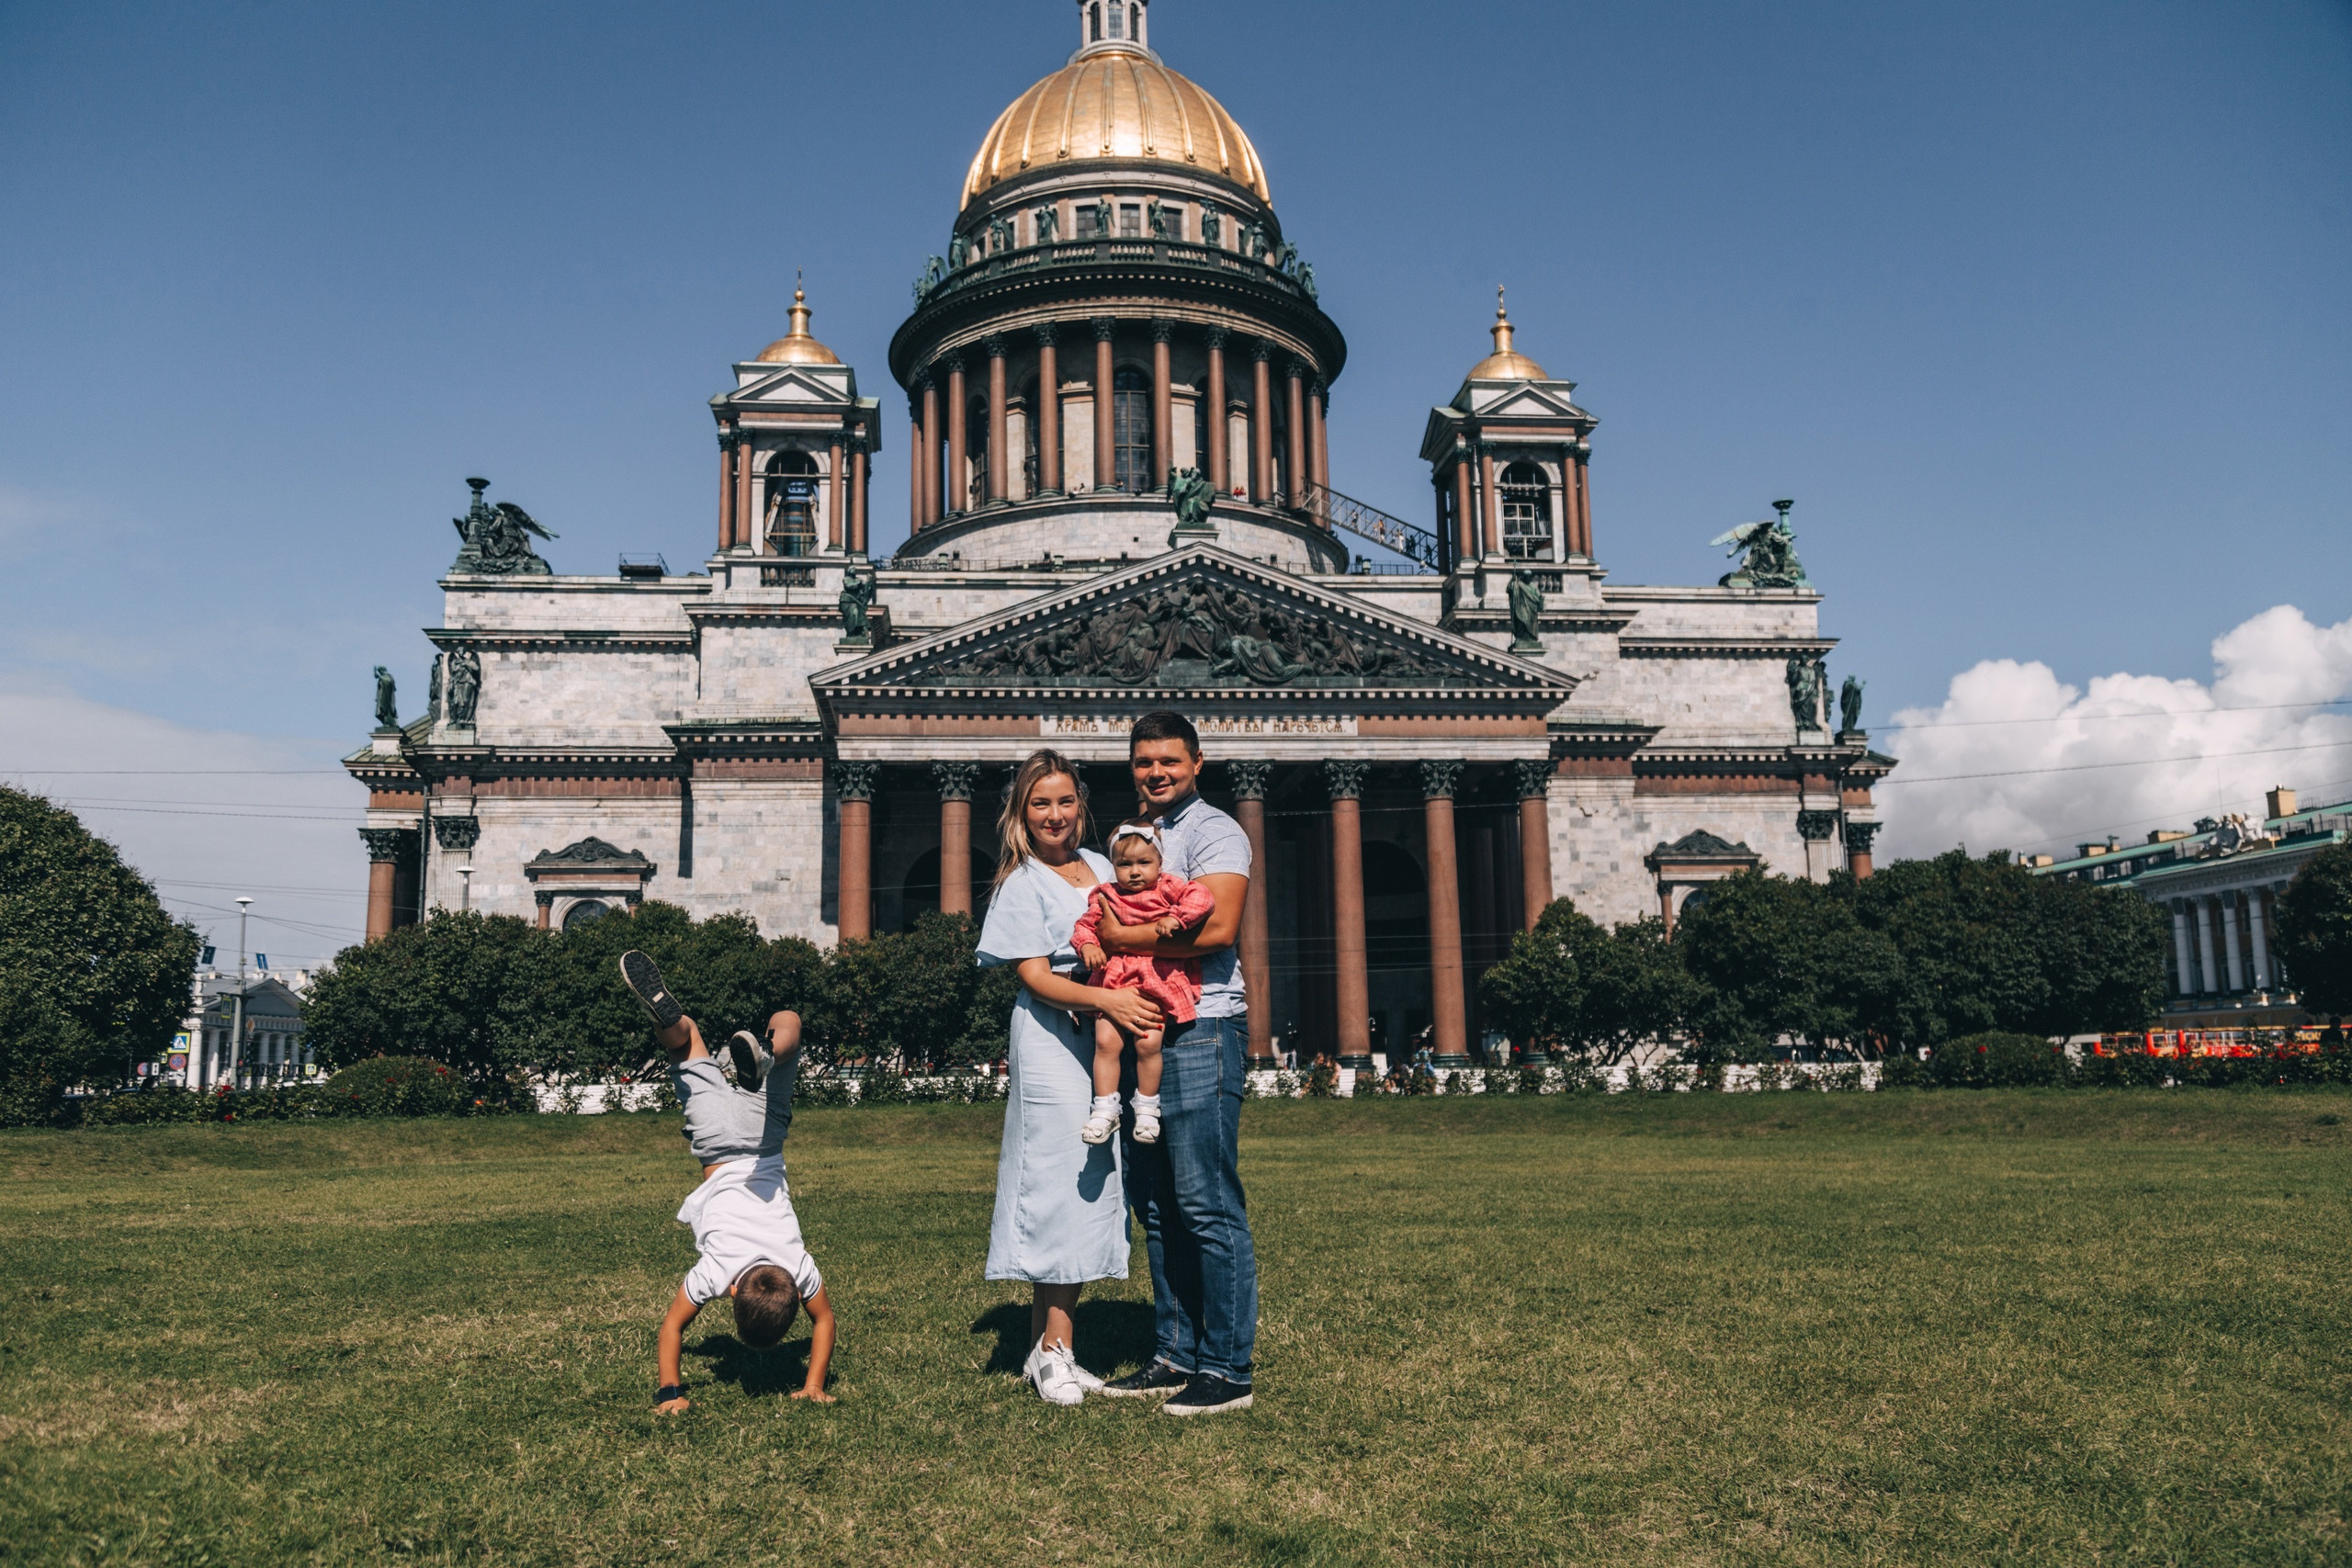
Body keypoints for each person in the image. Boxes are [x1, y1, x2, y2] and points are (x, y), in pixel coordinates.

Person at [976, 750, 1163, 1405]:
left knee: (1090, 1180)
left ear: (1081, 804)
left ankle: (1048, 1349)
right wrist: (1107, 998)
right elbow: (1034, 976)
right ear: (1021, 813)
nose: (1054, 815)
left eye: (1064, 800)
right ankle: (1055, 1349)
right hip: (1053, 1039)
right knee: (1060, 1178)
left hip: (1104, 1036)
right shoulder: (1020, 881)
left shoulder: (1108, 866)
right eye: (1040, 803)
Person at [1088, 712, 1259, 1416]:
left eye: (1169, 760)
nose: (1156, 771)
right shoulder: (1137, 837)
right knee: (1156, 1204)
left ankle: (1227, 1368)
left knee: (1205, 1201)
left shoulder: (1216, 831)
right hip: (1141, 1025)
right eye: (1144, 761)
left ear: (1197, 762)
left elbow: (1218, 928)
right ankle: (1175, 1353)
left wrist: (1122, 936)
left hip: (1202, 1024)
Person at [615, 951, 836, 1414]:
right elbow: (673, 1327)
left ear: (796, 1292)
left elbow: (824, 1321)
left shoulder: (798, 1267)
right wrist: (671, 1392)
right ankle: (669, 1022)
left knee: (789, 1020)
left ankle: (768, 1053)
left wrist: (815, 1383)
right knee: (685, 1041)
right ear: (732, 1294)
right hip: (715, 1140)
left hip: (762, 1138)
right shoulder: (715, 1273)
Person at [1071, 819, 1218, 1146]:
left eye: (1144, 863)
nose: (1135, 872)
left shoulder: (1168, 888)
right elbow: (1084, 925)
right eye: (1125, 864)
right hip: (1114, 981)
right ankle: (1105, 1109)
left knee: (1148, 1045)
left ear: (1160, 863)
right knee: (1106, 1043)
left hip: (1156, 979)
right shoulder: (1106, 894)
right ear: (1113, 866)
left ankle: (1148, 1109)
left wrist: (1177, 918)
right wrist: (1088, 945)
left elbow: (1203, 898)